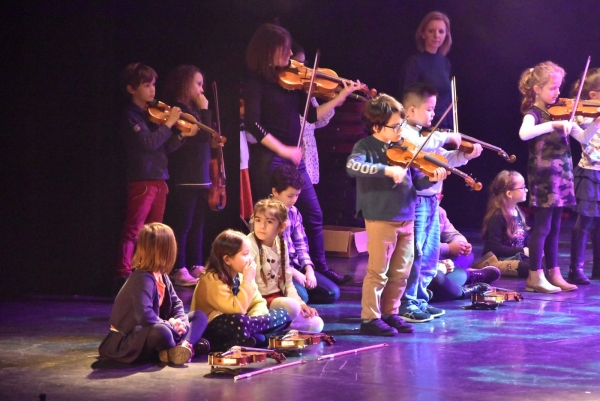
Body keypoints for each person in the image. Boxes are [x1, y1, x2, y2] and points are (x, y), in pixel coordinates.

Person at [243, 23, 360, 285]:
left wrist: (341, 97)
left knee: (314, 212)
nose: (289, 56)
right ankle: (271, 275)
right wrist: (284, 149)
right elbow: (253, 123)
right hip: (270, 159)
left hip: (294, 160)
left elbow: (312, 115)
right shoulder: (256, 82)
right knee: (270, 220)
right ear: (268, 51)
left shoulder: (291, 83)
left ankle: (319, 268)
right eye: (284, 50)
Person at [346, 93, 448, 336]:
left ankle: (390, 312)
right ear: (377, 126)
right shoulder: (365, 147)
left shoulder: (403, 148)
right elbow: (353, 166)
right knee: (378, 271)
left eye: (402, 123)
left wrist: (431, 178)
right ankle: (370, 318)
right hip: (381, 217)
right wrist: (387, 170)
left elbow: (416, 183)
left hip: (407, 216)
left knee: (401, 272)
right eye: (395, 125)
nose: (400, 129)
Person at [398, 82, 482, 323]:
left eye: (435, 109)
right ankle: (408, 302)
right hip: (415, 202)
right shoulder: (404, 133)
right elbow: (418, 148)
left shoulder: (426, 136)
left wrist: (463, 155)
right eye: (429, 109)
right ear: (411, 110)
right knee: (415, 254)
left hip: (433, 202)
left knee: (430, 255)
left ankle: (421, 299)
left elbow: (443, 159)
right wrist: (445, 136)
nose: (433, 114)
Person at [518, 61, 600, 293]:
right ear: (537, 89)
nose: (557, 93)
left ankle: (554, 273)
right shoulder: (535, 114)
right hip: (544, 176)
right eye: (552, 88)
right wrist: (552, 124)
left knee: (554, 228)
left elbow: (583, 138)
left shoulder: (563, 113)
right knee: (542, 227)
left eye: (558, 88)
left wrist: (595, 122)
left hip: (561, 176)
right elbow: (524, 134)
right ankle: (535, 275)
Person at [116, 63, 198, 282]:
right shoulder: (131, 117)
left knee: (156, 231)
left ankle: (152, 272)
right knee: (135, 229)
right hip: (143, 179)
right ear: (132, 89)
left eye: (153, 84)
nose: (152, 90)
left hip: (160, 178)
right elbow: (150, 143)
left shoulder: (152, 114)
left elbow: (164, 147)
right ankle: (124, 273)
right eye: (146, 85)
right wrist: (170, 122)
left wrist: (181, 136)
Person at [99, 223, 208, 365]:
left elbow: (177, 304)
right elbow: (145, 316)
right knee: (162, 332)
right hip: (130, 338)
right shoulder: (142, 278)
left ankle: (182, 347)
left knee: (199, 316)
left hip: (159, 327)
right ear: (166, 250)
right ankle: (180, 347)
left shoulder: (162, 275)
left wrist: (181, 322)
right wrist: (171, 325)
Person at [191, 230, 291, 351]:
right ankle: (259, 338)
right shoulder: (212, 279)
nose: (250, 259)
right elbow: (237, 309)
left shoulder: (242, 274)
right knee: (238, 321)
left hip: (244, 325)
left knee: (284, 313)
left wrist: (253, 321)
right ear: (227, 260)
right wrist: (247, 281)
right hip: (216, 328)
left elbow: (258, 302)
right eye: (245, 254)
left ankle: (253, 337)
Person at [163, 65, 217, 286]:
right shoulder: (178, 109)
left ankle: (195, 264)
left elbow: (205, 138)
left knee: (198, 224)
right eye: (198, 83)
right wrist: (206, 110)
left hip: (201, 175)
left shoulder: (194, 110)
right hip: (185, 176)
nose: (202, 89)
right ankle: (178, 266)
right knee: (183, 224)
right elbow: (198, 137)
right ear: (185, 84)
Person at [248, 199, 324, 333]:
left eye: (269, 222)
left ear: (281, 227)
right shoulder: (248, 244)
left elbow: (287, 283)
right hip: (258, 302)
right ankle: (273, 326)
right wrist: (295, 305)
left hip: (278, 300)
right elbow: (248, 285)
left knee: (316, 324)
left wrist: (301, 304)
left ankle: (279, 327)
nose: (261, 226)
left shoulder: (281, 244)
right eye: (258, 220)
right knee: (292, 306)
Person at [269, 164, 340, 304]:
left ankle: (297, 292)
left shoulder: (294, 212)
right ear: (276, 191)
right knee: (303, 297)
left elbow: (301, 245)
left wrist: (309, 270)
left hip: (295, 265)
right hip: (277, 270)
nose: (294, 200)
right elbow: (269, 255)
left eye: (297, 195)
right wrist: (293, 273)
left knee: (332, 293)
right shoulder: (264, 215)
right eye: (290, 196)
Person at [428, 198, 500, 302]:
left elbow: (453, 234)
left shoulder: (439, 212)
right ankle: (465, 285)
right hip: (423, 267)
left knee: (466, 255)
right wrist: (447, 249)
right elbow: (418, 248)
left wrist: (462, 245)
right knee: (436, 278)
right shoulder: (411, 213)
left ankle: (457, 279)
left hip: (437, 261)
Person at [569, 68, 600, 284]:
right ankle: (575, 268)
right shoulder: (582, 116)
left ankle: (598, 267)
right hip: (590, 171)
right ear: (593, 95)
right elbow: (587, 144)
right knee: (586, 221)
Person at [290, 42, 336, 185]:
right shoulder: (289, 93)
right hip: (295, 150)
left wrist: (332, 103)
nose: (303, 69)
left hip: (309, 150)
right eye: (299, 64)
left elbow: (317, 121)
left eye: (304, 64)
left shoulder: (306, 92)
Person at [401, 11, 453, 130]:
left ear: (446, 35)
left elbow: (448, 99)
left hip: (444, 127)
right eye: (431, 31)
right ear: (423, 34)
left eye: (441, 31)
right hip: (423, 128)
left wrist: (451, 127)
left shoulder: (445, 63)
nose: (436, 35)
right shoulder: (414, 62)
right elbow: (407, 98)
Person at [476, 170, 532, 279]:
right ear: (509, 193)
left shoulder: (517, 212)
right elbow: (494, 247)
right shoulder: (498, 216)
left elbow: (525, 241)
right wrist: (523, 251)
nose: (526, 190)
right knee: (528, 268)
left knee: (540, 264)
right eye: (522, 187)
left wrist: (532, 250)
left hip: (515, 256)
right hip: (499, 259)